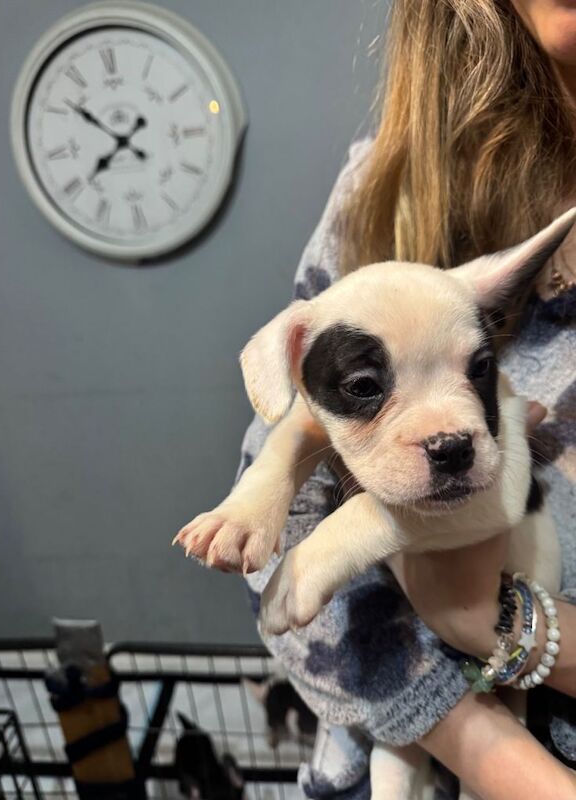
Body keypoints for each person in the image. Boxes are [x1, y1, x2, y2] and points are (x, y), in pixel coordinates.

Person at [237, 2, 576, 798]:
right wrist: (486, 745)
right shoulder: (386, 188)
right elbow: (279, 553)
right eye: (368, 390)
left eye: (476, 369)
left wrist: (495, 628)